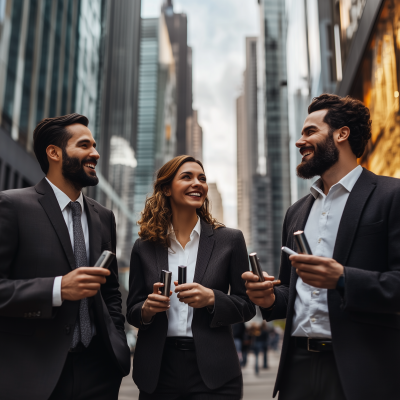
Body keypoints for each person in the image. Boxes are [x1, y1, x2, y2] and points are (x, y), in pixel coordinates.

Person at [243, 94, 400, 400]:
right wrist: (268, 296)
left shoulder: (391, 195)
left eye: (309, 132)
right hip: (297, 370)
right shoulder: (296, 212)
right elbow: (289, 292)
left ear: (342, 133)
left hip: (364, 371)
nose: (300, 142)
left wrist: (342, 278)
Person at [0, 114, 130, 400]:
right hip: (33, 375)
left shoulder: (104, 217)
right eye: (84, 145)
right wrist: (58, 289)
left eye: (94, 145)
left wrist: (117, 343)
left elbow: (110, 294)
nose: (95, 153)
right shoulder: (12, 206)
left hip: (99, 371)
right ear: (54, 152)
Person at [127, 155, 256, 399]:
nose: (197, 183)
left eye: (202, 178)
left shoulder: (230, 240)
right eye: (187, 177)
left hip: (215, 371)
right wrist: (146, 309)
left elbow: (247, 306)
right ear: (166, 188)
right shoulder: (143, 247)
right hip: (158, 371)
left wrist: (212, 298)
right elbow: (132, 310)